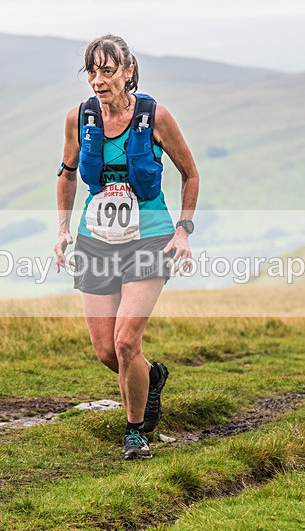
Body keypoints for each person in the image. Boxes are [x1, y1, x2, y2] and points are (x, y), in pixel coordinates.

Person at [54, 34, 199, 460]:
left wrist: (183, 230)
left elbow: (190, 174)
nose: (99, 81)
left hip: (150, 236)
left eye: (108, 71)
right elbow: (66, 174)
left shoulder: (156, 117)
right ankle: (150, 378)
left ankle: (136, 432)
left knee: (125, 341)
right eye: (92, 72)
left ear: (129, 71)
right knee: (105, 351)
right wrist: (63, 228)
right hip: (95, 238)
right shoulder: (79, 118)